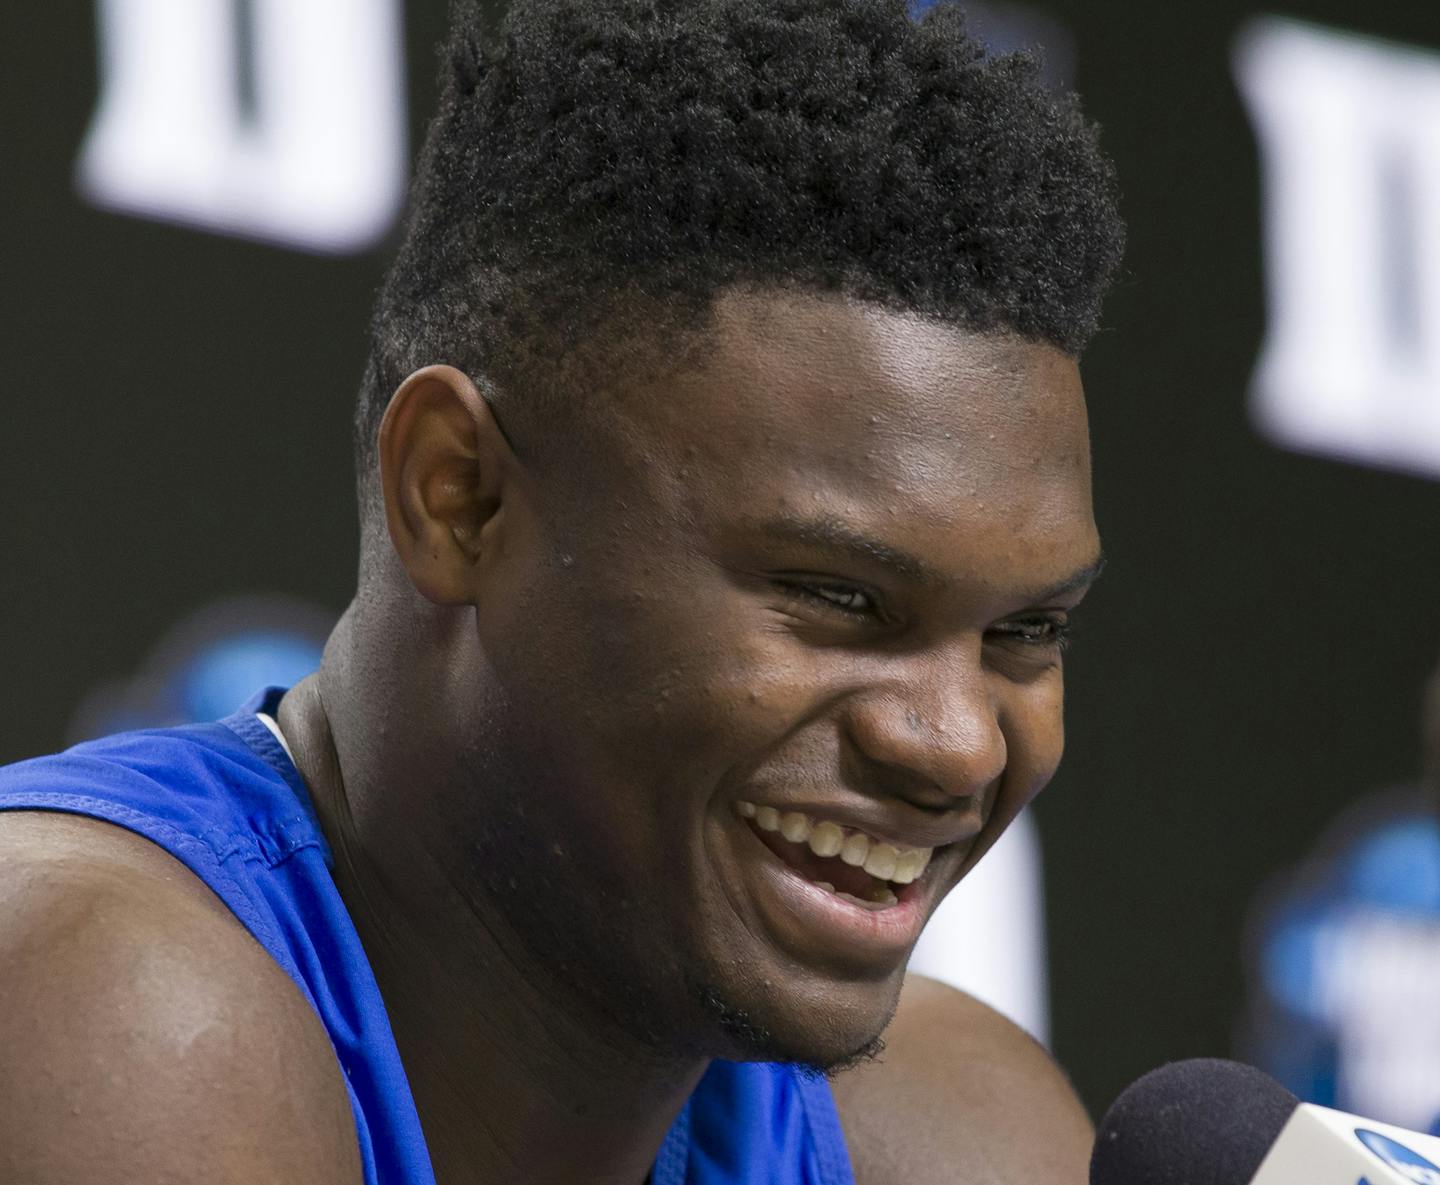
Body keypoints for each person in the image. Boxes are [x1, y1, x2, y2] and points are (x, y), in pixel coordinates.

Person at [0, 0, 1123, 1181]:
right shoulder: (105, 1003)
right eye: (839, 599)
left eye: (1026, 630)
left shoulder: (953, 1135)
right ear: (459, 497)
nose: (954, 749)